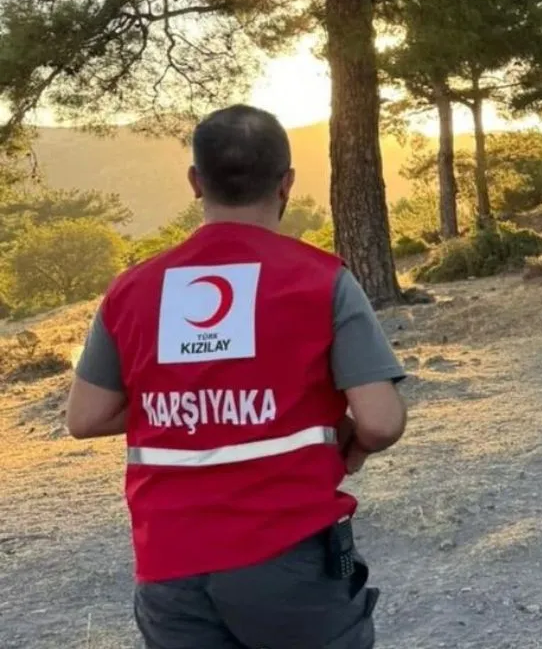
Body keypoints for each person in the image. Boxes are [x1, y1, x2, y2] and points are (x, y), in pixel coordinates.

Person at [63, 104, 407, 648]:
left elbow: (84, 418)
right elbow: (382, 421)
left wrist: (188, 400)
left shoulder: (131, 289)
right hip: (290, 559)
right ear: (287, 182)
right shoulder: (323, 280)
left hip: (168, 567)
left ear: (196, 182)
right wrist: (352, 442)